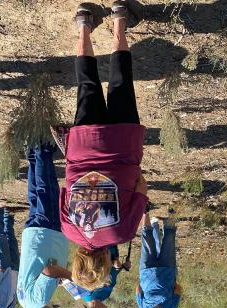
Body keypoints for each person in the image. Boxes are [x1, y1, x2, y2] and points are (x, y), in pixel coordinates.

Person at [59, 1, 149, 292]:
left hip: (123, 145)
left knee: (121, 84)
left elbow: (141, 190)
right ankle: (84, 24)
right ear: (77, 261)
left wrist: (131, 173)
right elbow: (66, 187)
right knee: (87, 85)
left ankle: (120, 20)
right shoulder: (68, 229)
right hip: (84, 145)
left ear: (106, 263)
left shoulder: (121, 233)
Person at [17, 144, 71, 308]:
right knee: (36, 196)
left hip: (47, 236)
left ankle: (41, 150)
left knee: (47, 192)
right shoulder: (25, 302)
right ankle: (33, 155)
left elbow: (48, 270)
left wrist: (72, 276)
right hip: (34, 237)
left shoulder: (40, 301)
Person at [136, 213, 182, 308]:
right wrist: (168, 280)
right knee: (169, 238)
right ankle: (173, 210)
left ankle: (145, 211)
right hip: (167, 268)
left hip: (146, 269)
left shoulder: (143, 307)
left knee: (147, 238)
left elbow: (138, 290)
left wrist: (147, 280)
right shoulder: (171, 307)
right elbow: (178, 289)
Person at [61, 245, 129, 308]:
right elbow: (112, 277)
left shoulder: (82, 292)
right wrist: (121, 267)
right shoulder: (105, 297)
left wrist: (110, 262)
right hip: (111, 252)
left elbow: (89, 265)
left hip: (99, 249)